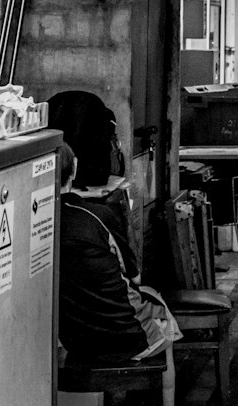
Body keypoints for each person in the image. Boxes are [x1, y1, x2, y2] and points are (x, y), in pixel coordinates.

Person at [58, 142, 181, 363]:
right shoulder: (99, 217)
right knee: (165, 323)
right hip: (127, 337)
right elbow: (135, 277)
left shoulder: (37, 225)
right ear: (75, 168)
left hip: (72, 340)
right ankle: (165, 396)